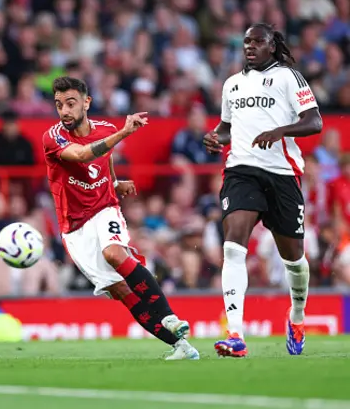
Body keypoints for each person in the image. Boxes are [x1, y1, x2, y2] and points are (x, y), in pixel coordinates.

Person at [43, 76, 199, 360]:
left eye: (70, 103)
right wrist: (124, 133)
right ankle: (181, 346)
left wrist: (113, 182)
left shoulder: (104, 129)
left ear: (86, 103)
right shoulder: (53, 137)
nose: (64, 111)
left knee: (114, 253)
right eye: (58, 105)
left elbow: (106, 154)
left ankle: (169, 317)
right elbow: (81, 155)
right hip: (75, 229)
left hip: (104, 208)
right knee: (121, 290)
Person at [203, 23, 323, 357]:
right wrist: (215, 137)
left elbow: (315, 122)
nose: (250, 46)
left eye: (258, 41)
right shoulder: (232, 84)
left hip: (282, 174)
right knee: (232, 245)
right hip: (242, 172)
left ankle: (297, 316)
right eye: (246, 42)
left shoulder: (288, 76)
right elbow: (227, 128)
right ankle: (235, 334)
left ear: (272, 45)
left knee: (294, 260)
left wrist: (279, 131)